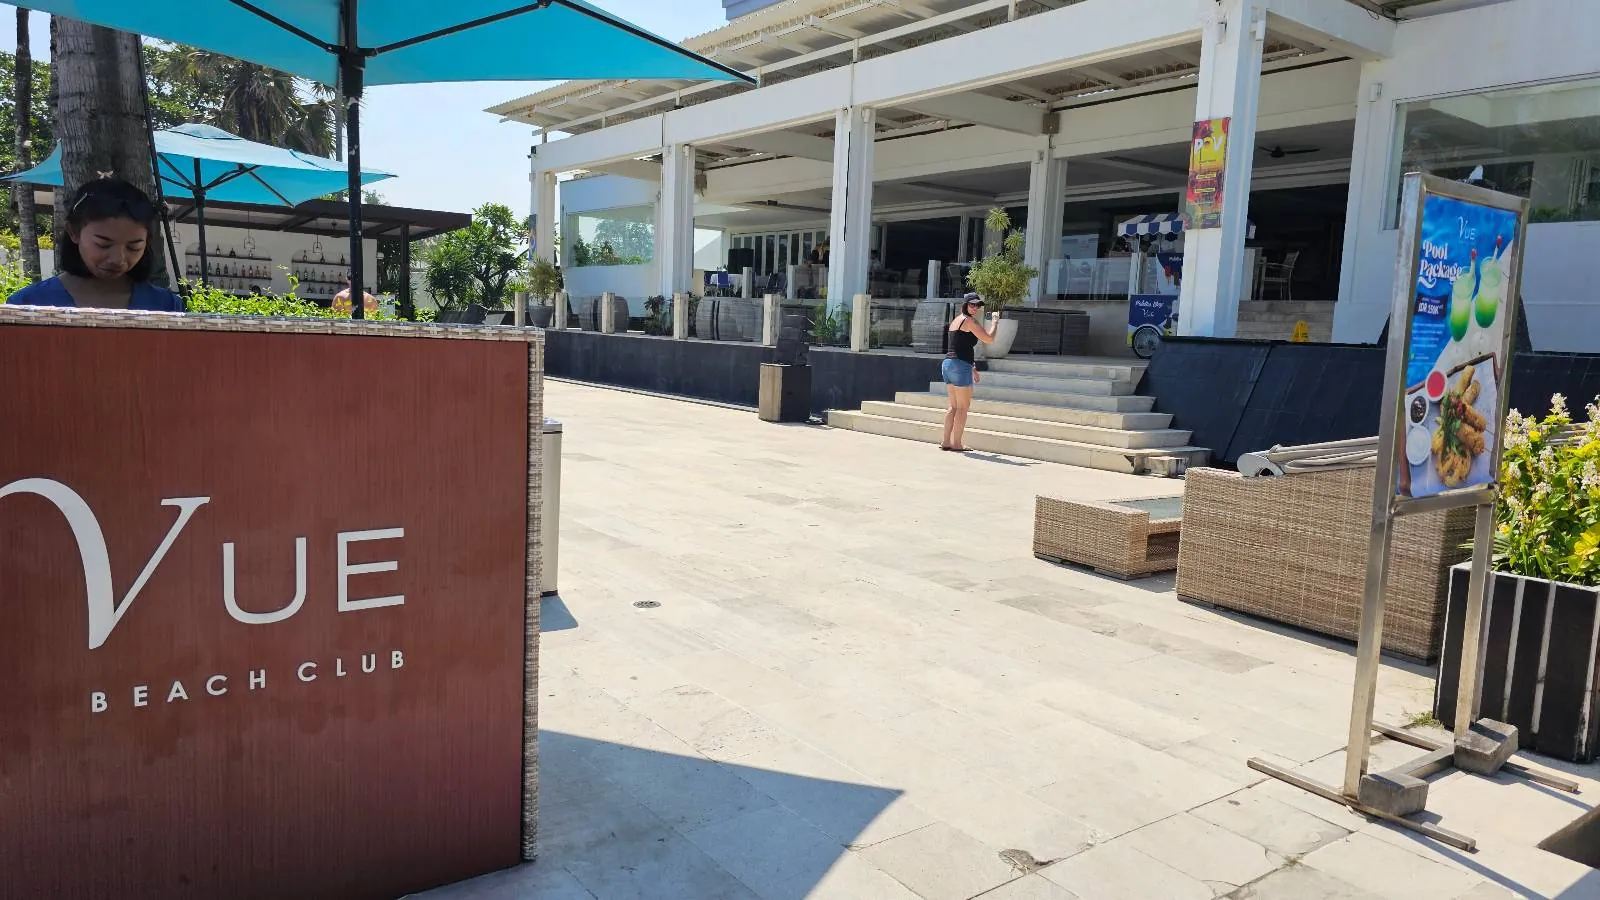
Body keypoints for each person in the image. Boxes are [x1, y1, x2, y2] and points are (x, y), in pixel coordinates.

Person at [6, 177, 183, 311]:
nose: (118, 259)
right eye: (103, 245)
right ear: (73, 232)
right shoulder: (27, 304)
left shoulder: (167, 306)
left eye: (133, 247)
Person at [941, 292, 1000, 452]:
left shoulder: (956, 320)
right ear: (965, 305)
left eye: (977, 305)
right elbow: (989, 339)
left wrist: (972, 368)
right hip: (959, 365)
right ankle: (957, 444)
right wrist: (995, 323)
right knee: (962, 407)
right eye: (972, 304)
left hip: (948, 364)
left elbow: (959, 345)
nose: (975, 308)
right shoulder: (969, 321)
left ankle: (946, 441)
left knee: (953, 406)